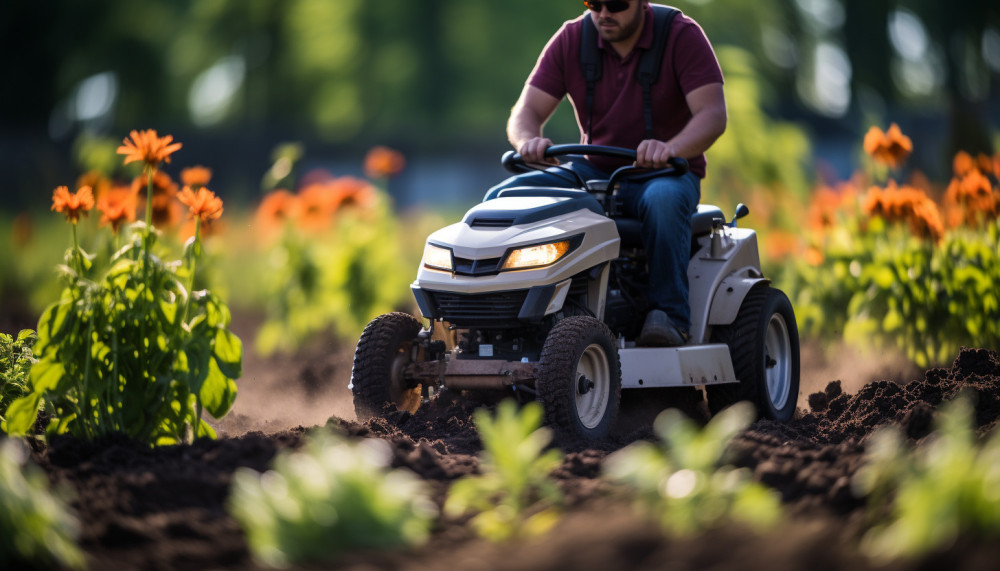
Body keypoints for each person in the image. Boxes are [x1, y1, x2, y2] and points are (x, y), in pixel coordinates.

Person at [485, 0, 727, 347]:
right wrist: (528, 142)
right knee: (501, 199)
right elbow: (525, 112)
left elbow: (713, 115)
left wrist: (670, 148)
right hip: (591, 171)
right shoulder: (572, 38)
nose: (603, 13)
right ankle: (503, 317)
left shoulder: (681, 35)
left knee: (663, 200)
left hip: (663, 174)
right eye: (593, 3)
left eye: (615, 4)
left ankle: (669, 317)